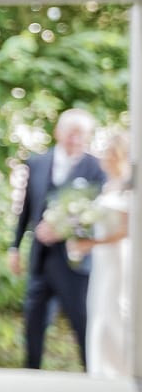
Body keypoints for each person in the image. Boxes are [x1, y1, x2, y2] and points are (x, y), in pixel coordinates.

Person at [9, 107, 105, 370]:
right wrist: (14, 247)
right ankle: (31, 373)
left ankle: (90, 373)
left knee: (81, 320)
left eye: (81, 134)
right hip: (40, 258)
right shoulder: (37, 163)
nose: (76, 139)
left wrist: (63, 228)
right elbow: (26, 208)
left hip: (75, 262)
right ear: (58, 132)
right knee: (33, 319)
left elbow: (99, 214)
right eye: (71, 133)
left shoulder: (96, 167)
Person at [73, 130, 131, 378]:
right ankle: (100, 367)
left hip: (117, 257)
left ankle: (120, 367)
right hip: (101, 259)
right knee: (98, 308)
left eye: (109, 153)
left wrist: (93, 243)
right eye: (103, 153)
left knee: (114, 309)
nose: (104, 158)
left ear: (119, 156)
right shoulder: (107, 185)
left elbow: (126, 231)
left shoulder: (128, 187)